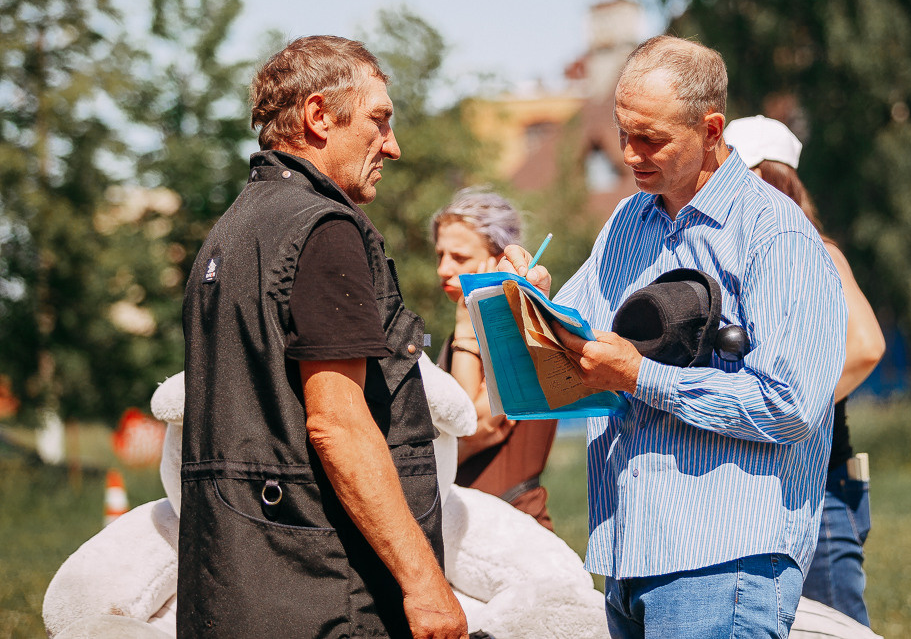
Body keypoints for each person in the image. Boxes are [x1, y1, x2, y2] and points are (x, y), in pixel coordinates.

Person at [502, 35, 847, 639]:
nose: (628, 154)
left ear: (711, 130)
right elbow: (578, 338)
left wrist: (641, 376)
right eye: (622, 132)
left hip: (726, 560)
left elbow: (792, 404)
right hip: (629, 552)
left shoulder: (775, 234)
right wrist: (530, 300)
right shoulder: (628, 221)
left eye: (650, 138)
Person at [179, 36, 467, 639]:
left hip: (229, 590)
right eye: (378, 119)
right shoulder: (324, 227)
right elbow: (338, 425)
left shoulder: (229, 232)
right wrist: (426, 586)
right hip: (324, 596)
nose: (392, 144)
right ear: (318, 116)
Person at [724, 115, 886, 629]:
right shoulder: (751, 259)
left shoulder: (817, 252)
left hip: (818, 488)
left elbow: (866, 347)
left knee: (837, 629)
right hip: (764, 490)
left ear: (764, 179)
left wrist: (782, 409)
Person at [431, 188, 558, 530]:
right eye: (440, 254)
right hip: (471, 530)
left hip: (515, 530)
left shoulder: (522, 331)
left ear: (499, 260)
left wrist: (465, 326)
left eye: (459, 258)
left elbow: (469, 425)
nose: (443, 269)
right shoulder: (464, 335)